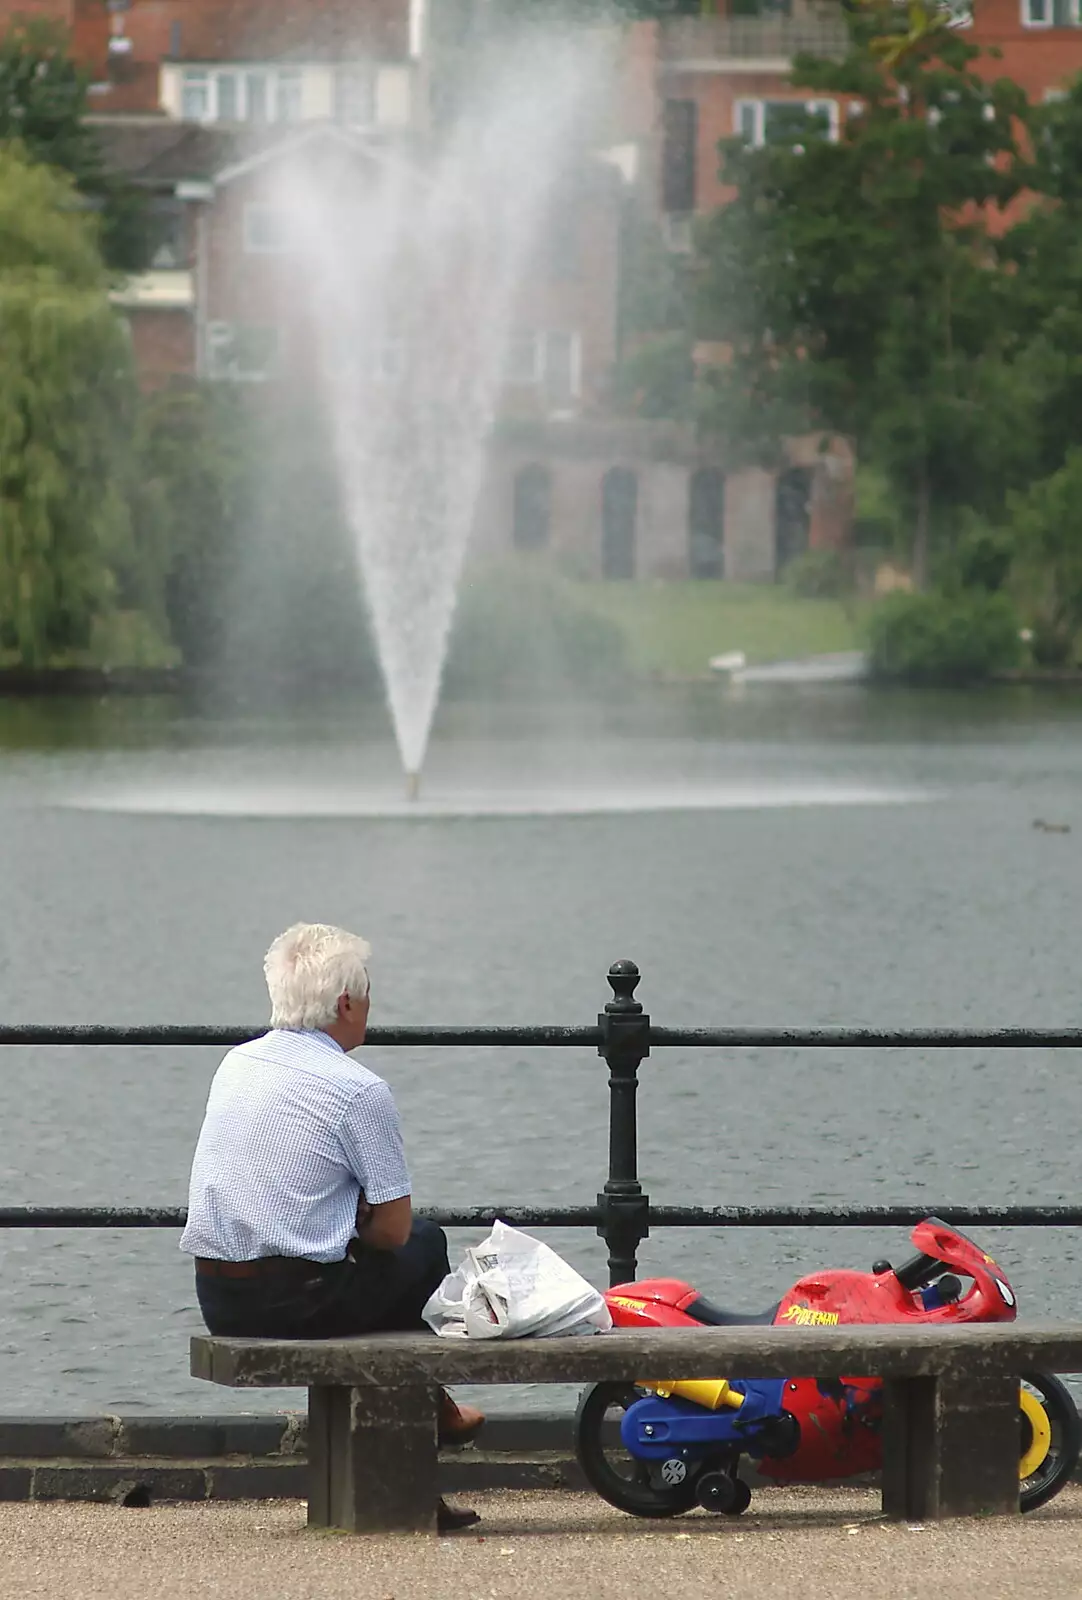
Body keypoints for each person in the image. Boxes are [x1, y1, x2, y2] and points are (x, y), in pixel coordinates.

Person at [180, 921, 483, 1531]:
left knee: (377, 1264)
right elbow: (395, 1231)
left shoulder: (235, 1064)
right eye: (368, 991)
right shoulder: (356, 1088)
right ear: (346, 1003)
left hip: (219, 1297)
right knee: (427, 1245)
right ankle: (420, 1437)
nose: (370, 1003)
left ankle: (429, 1422)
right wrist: (357, 1221)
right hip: (295, 1301)